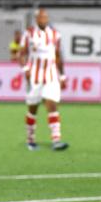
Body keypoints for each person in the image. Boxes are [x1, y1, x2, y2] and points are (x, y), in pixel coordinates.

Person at [19, 8, 68, 151]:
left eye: (45, 17)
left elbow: (58, 55)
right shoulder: (28, 34)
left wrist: (62, 75)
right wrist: (26, 69)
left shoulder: (54, 34)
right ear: (36, 19)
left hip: (51, 76)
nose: (43, 19)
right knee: (33, 109)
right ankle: (30, 139)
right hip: (34, 76)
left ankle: (56, 140)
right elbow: (21, 54)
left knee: (52, 106)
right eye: (41, 17)